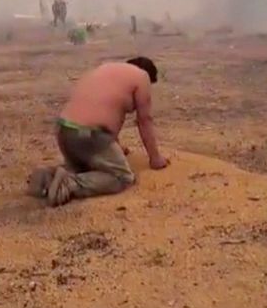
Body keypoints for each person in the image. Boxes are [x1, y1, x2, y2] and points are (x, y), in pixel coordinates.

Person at [28, 57, 170, 207]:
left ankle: (48, 176)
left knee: (87, 169)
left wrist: (116, 149)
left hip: (65, 131)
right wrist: (155, 158)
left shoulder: (107, 70)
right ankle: (69, 184)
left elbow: (108, 114)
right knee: (122, 178)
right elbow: (145, 120)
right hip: (89, 135)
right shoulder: (142, 76)